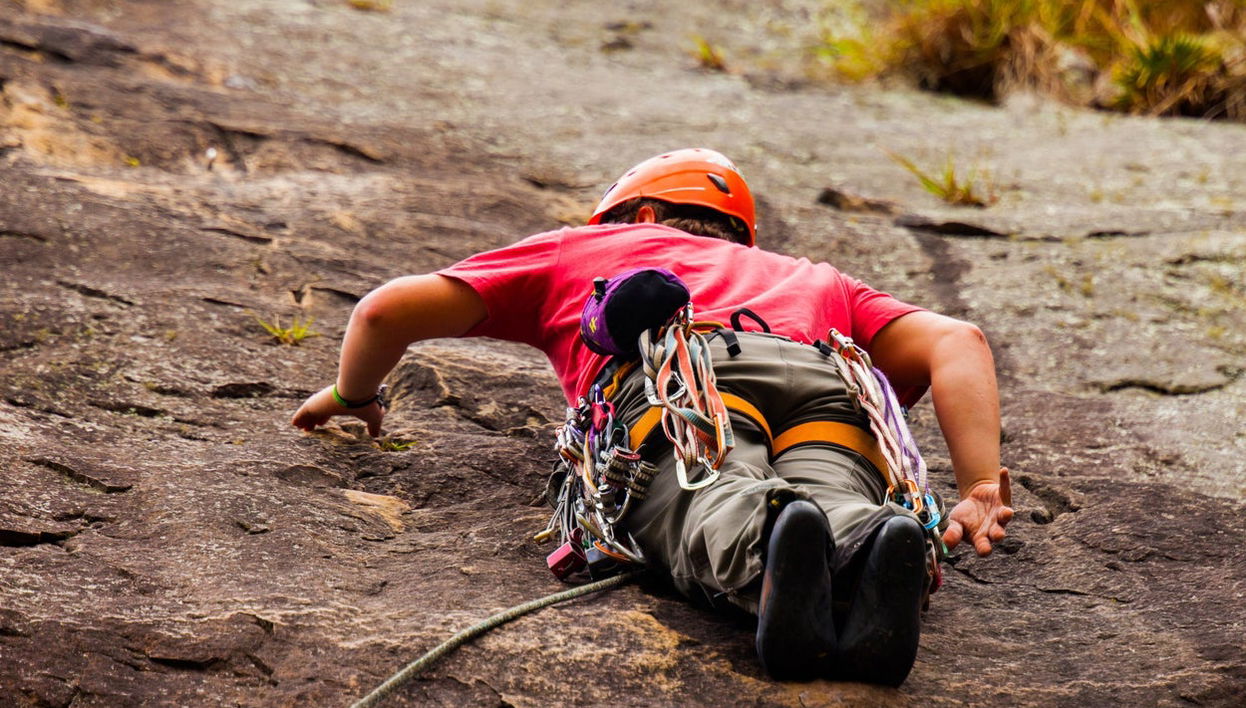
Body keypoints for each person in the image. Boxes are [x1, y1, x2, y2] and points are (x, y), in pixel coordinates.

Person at [292, 148, 1013, 685]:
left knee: (710, 487)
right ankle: (874, 540)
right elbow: (959, 341)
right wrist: (979, 483)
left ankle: (770, 540)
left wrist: (353, 394)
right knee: (843, 488)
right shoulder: (813, 277)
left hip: (688, 379)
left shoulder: (590, 247)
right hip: (830, 385)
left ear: (638, 217)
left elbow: (385, 310)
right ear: (737, 235)